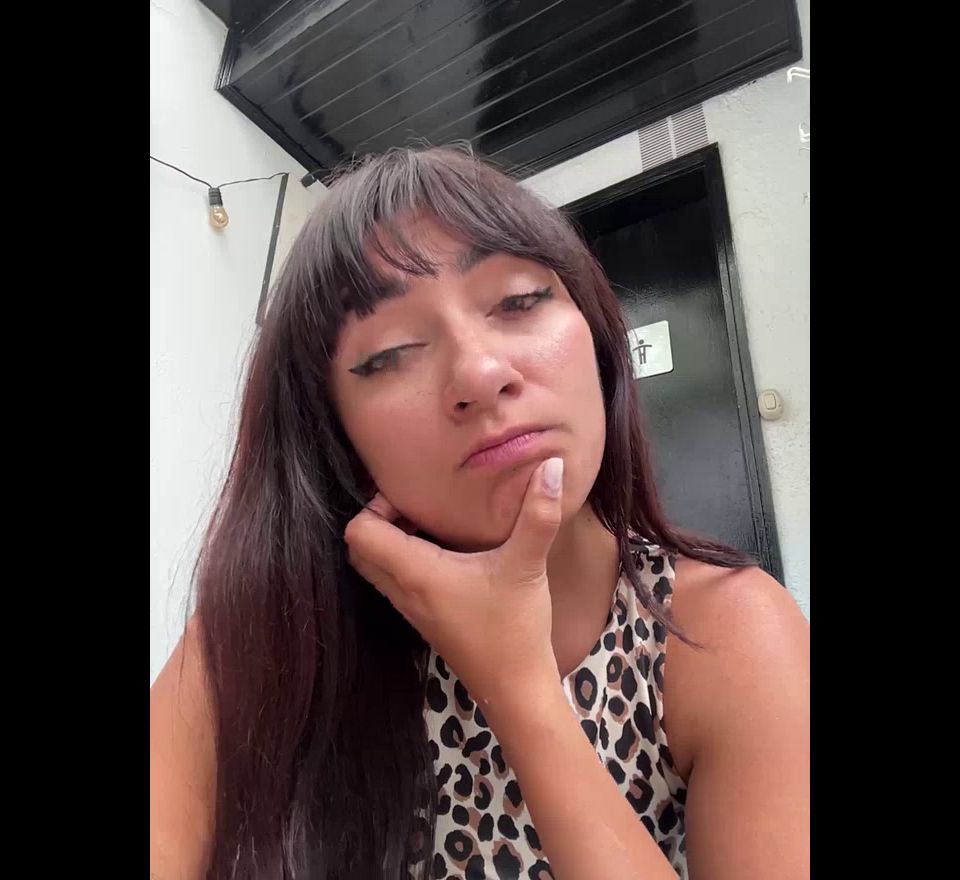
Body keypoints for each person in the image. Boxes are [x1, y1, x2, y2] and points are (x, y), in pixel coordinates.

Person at [150, 145, 809, 880]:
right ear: (335, 440)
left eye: (519, 301)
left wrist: (516, 682)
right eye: (390, 352)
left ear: (598, 340)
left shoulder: (725, 632)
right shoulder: (261, 641)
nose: (481, 373)